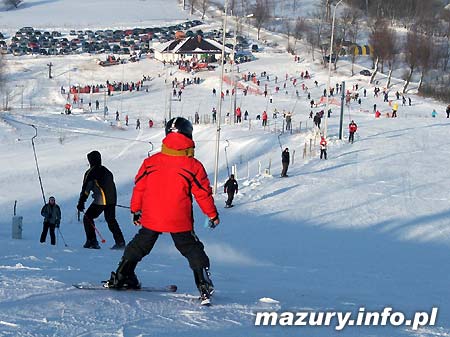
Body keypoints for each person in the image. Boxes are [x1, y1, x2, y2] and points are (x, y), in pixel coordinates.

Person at [105, 117, 219, 305]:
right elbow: (203, 193)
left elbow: (139, 187)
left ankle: (122, 275)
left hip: (152, 216)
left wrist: (136, 210)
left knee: (140, 244)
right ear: (188, 135)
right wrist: (212, 214)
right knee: (191, 247)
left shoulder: (151, 162)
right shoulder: (193, 165)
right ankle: (203, 283)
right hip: (178, 217)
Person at [77, 151, 126, 249]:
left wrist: (81, 202)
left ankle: (92, 241)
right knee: (111, 220)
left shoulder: (91, 172)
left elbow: (86, 188)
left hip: (101, 200)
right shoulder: (107, 171)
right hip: (112, 200)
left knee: (87, 217)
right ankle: (120, 242)